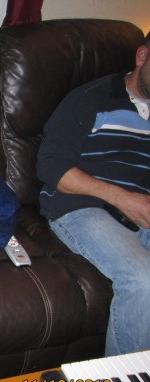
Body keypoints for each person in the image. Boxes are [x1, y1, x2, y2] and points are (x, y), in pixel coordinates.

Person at [37, 32, 150, 357]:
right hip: (84, 206)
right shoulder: (91, 98)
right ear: (141, 56)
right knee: (143, 280)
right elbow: (52, 168)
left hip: (141, 213)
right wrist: (122, 198)